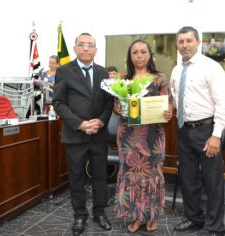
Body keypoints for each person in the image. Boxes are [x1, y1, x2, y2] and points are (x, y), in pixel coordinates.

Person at [169, 26, 225, 236]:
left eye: (188, 40)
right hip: (184, 130)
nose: (184, 45)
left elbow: (223, 105)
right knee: (188, 178)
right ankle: (194, 218)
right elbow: (176, 98)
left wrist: (216, 135)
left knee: (212, 181)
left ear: (198, 42)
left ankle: (215, 227)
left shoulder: (211, 67)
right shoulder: (177, 70)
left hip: (207, 131)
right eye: (180, 41)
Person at [53, 33, 114, 236]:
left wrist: (101, 120)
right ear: (75, 48)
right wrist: (79, 124)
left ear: (95, 50)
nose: (86, 48)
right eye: (82, 45)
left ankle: (100, 212)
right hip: (75, 135)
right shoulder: (64, 71)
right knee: (76, 178)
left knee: (100, 176)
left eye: (90, 45)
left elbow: (108, 102)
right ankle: (79, 215)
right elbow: (59, 102)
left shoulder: (102, 71)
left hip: (98, 133)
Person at [113, 39, 173, 233]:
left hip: (152, 135)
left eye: (143, 52)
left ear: (149, 55)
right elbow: (116, 106)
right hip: (128, 136)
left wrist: (169, 112)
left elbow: (169, 103)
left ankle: (151, 215)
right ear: (130, 57)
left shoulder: (159, 79)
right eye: (135, 52)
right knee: (131, 175)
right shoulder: (123, 80)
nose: (139, 55)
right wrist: (120, 107)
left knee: (152, 174)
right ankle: (135, 216)